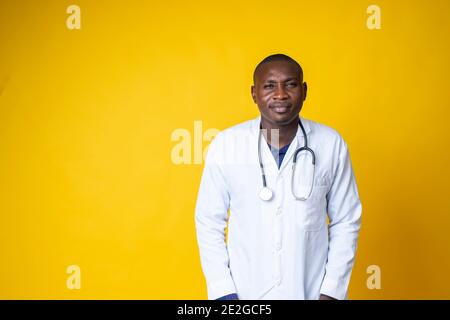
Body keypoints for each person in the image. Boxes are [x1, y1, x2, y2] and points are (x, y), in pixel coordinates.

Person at [195, 53, 362, 300]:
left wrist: (332, 292)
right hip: (244, 293)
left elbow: (346, 220)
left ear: (304, 91)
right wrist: (223, 291)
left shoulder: (330, 143)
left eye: (291, 84)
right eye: (269, 86)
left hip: (311, 291)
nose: (281, 94)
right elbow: (209, 221)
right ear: (254, 93)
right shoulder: (227, 145)